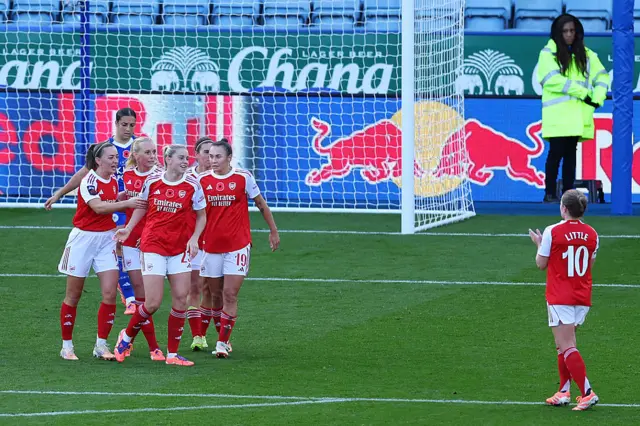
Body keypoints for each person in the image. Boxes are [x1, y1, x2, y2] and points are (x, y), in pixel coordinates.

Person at [113, 145, 206, 366]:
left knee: (180, 300)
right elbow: (142, 207)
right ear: (168, 159)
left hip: (179, 249)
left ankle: (172, 355)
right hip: (153, 246)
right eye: (181, 158)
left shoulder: (193, 185)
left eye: (187, 158)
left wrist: (194, 239)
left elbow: (202, 215)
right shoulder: (153, 182)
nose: (186, 161)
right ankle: (125, 338)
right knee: (152, 303)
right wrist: (128, 228)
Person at [45, 107, 140, 313]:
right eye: (124, 124)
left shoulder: (138, 147)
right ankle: (129, 296)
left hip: (130, 202)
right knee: (118, 245)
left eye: (132, 125)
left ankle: (133, 293)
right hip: (112, 205)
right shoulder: (105, 149)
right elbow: (84, 173)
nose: (128, 129)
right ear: (116, 124)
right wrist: (60, 192)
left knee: (132, 248)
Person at [57, 142, 145, 361]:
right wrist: (126, 204)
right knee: (74, 295)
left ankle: (101, 345)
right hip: (83, 240)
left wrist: (126, 196)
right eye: (111, 157)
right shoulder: (89, 181)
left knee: (109, 294)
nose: (116, 161)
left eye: (117, 157)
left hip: (106, 240)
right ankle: (66, 346)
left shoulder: (114, 180)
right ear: (98, 160)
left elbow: (111, 201)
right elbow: (99, 207)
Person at [199, 139, 280, 358]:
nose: (213, 160)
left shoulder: (243, 178)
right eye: (210, 156)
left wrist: (273, 231)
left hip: (238, 245)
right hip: (210, 246)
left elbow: (261, 204)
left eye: (218, 156)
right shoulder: (201, 180)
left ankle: (222, 343)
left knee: (230, 293)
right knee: (215, 295)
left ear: (228, 158)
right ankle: (221, 336)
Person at [528, 189, 599, 411]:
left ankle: (587, 392)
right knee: (565, 345)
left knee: (565, 344)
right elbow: (589, 265)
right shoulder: (592, 234)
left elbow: (541, 264)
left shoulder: (553, 231)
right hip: (582, 295)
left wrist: (539, 244)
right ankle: (563, 391)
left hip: (561, 296)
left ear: (564, 209)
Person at [537, 14, 610, 203]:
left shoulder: (586, 54)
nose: (569, 34)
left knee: (571, 156)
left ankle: (567, 196)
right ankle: (549, 193)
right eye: (565, 31)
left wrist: (597, 99)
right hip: (558, 116)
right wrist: (583, 92)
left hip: (577, 116)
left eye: (572, 31)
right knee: (555, 155)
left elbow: (602, 77)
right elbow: (551, 80)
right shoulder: (548, 53)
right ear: (558, 33)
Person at [119, 137, 165, 361]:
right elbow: (122, 200)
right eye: (147, 152)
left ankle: (132, 339)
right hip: (130, 242)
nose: (153, 156)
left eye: (154, 152)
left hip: (152, 241)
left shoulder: (161, 177)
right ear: (136, 155)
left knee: (149, 299)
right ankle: (152, 348)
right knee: (140, 296)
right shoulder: (126, 176)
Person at [185, 137, 214, 352]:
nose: (209, 157)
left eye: (213, 153)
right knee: (194, 287)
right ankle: (197, 335)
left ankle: (223, 334)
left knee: (213, 290)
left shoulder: (223, 176)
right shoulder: (187, 178)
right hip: (193, 240)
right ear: (196, 155)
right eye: (205, 152)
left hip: (215, 240)